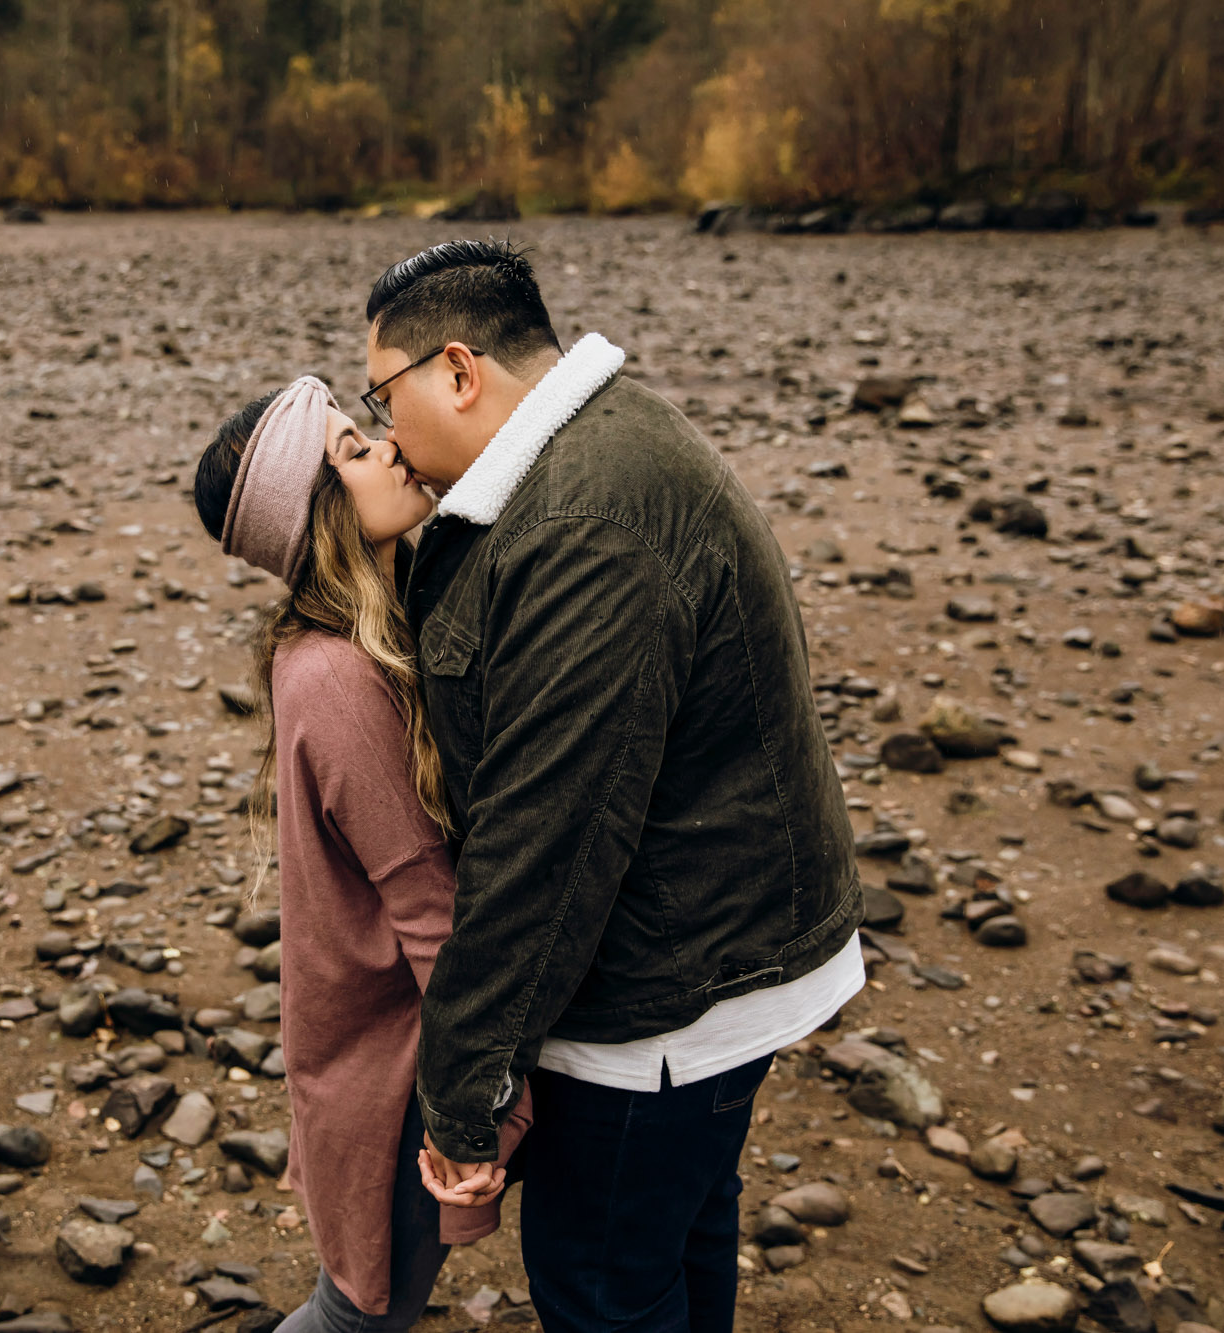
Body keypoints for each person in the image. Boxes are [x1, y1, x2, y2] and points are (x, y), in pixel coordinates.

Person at [360, 240, 866, 1333]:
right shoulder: (592, 445)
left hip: (670, 997)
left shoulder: (585, 522)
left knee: (598, 1281)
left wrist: (462, 1096)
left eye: (381, 395)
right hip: (719, 951)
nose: (387, 433)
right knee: (676, 1237)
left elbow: (548, 836)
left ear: (456, 371)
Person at [191, 375, 528, 1333]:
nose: (387, 446)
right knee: (362, 1308)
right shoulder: (340, 675)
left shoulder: (353, 633)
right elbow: (427, 903)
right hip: (393, 1066)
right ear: (316, 515)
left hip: (377, 1042)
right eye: (352, 449)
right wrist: (483, 1113)